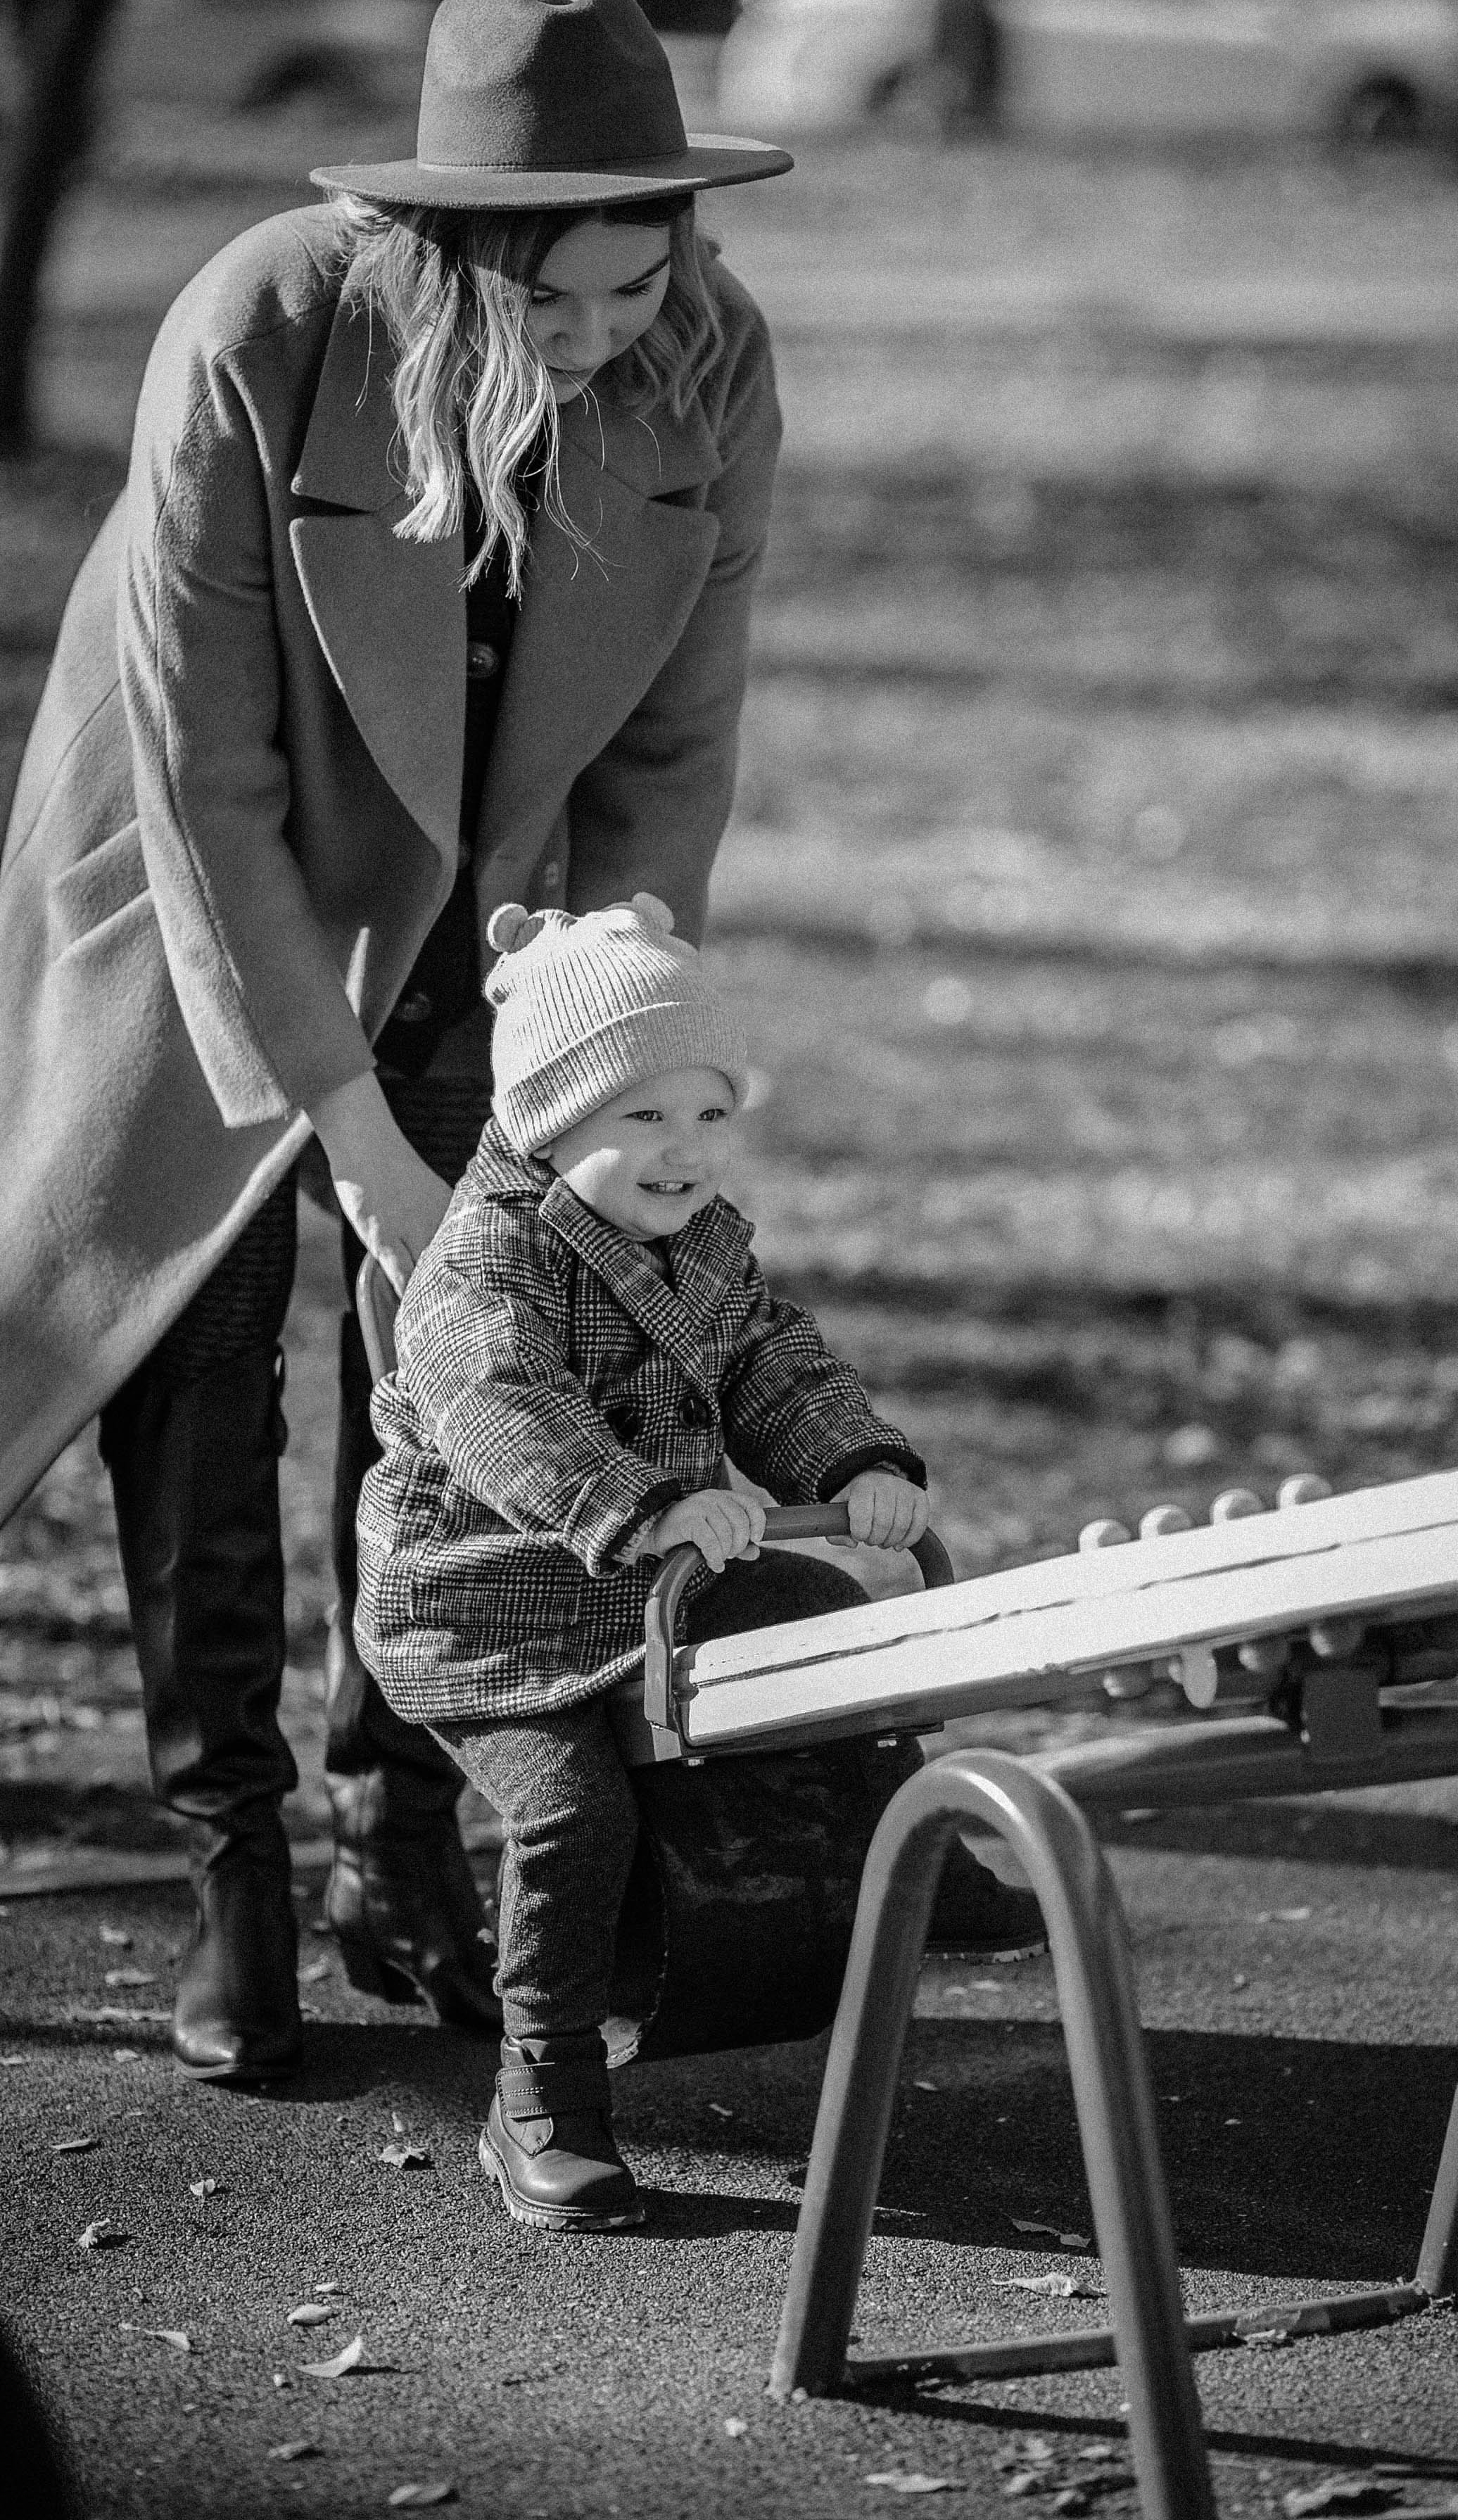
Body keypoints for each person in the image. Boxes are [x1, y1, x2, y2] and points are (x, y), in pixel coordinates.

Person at [0, 0, 795, 2083]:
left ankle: (404, 1832)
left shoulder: (703, 358)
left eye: (648, 282)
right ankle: (225, 1855)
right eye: (564, 305)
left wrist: (607, 1040)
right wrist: (350, 1135)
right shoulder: (257, 330)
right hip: (181, 882)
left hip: (495, 895)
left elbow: (673, 759)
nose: (612, 334)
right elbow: (211, 781)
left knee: (474, 1357)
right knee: (196, 1335)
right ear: (450, 262)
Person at [355, 893, 939, 2229]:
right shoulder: (484, 1268)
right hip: (486, 1597)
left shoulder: (706, 1245)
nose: (686, 1151)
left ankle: (877, 1874)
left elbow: (773, 1364)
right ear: (553, 1125)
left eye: (710, 1115)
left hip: (648, 1576)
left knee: (819, 1630)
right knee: (574, 1809)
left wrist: (851, 1466)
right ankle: (542, 2096)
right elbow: (509, 1413)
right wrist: (646, 1505)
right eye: (644, 1118)